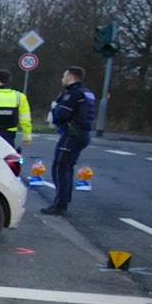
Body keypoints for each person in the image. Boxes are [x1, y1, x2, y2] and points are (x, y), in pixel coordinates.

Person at [42, 66, 97, 216]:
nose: (62, 78)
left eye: (64, 76)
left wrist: (54, 110)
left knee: (60, 168)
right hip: (82, 134)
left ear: (71, 77)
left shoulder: (73, 94)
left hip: (72, 134)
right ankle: (64, 201)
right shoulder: (87, 93)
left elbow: (62, 114)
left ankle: (60, 205)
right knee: (67, 168)